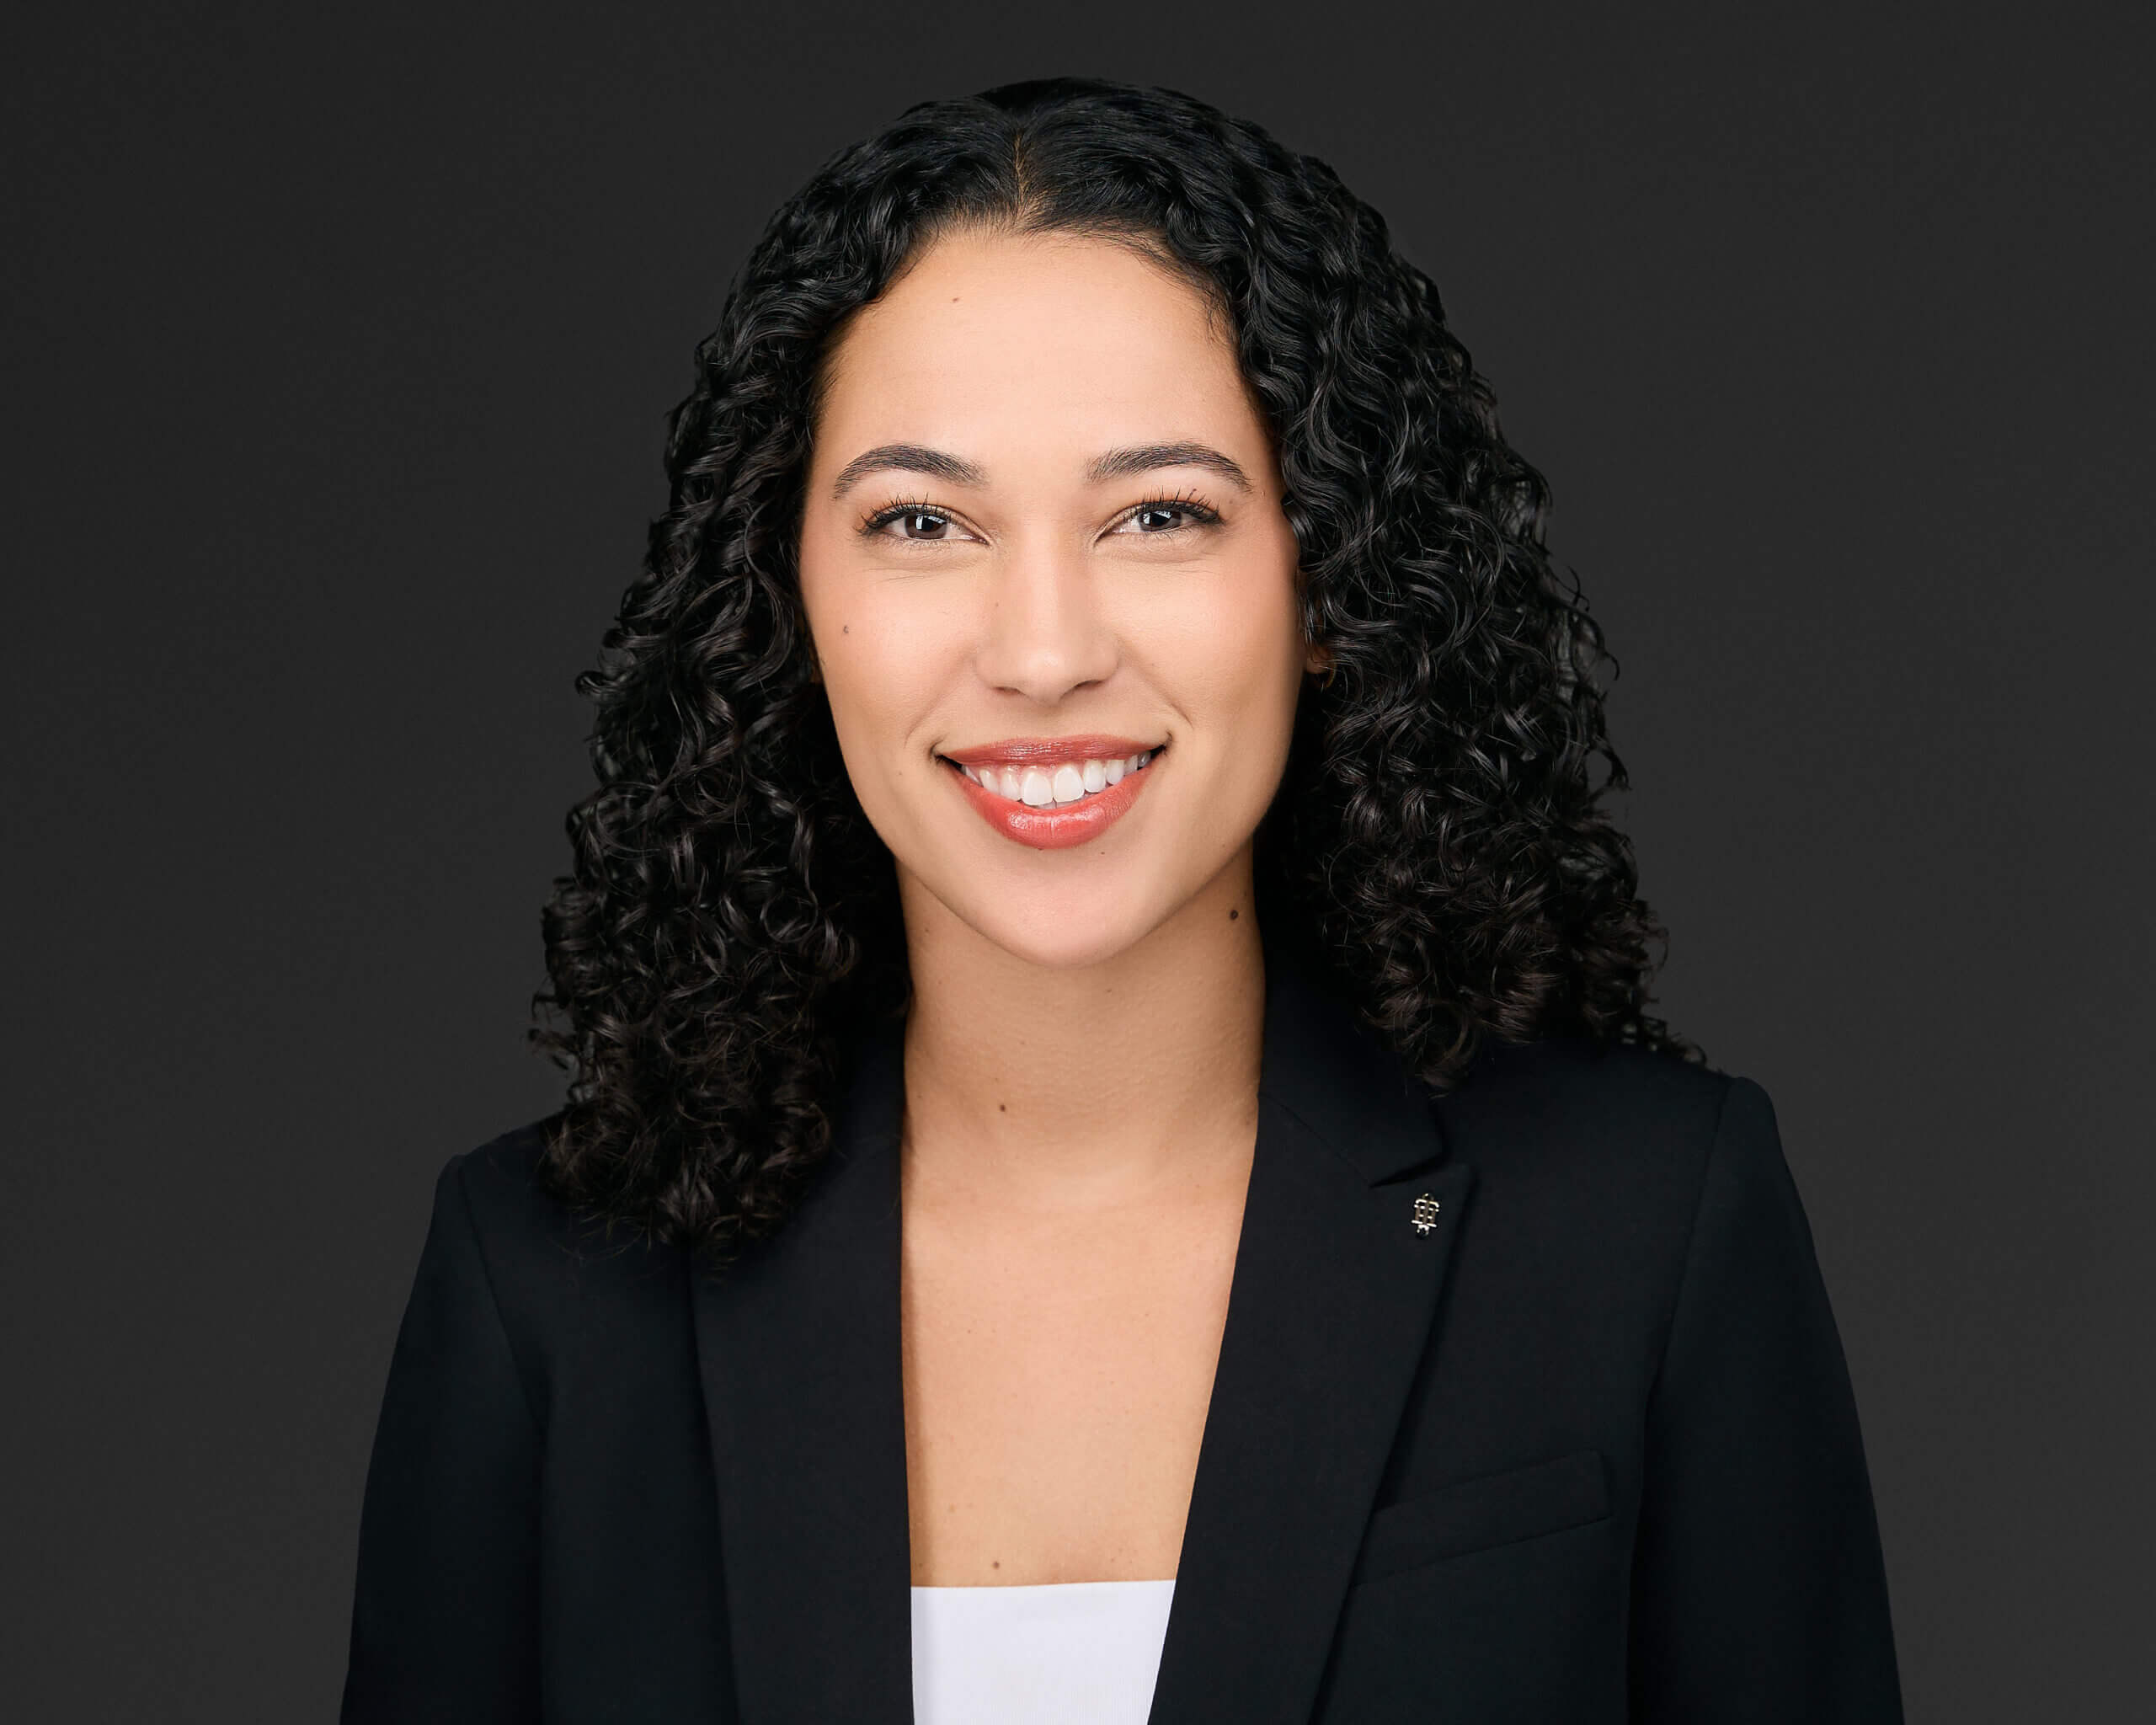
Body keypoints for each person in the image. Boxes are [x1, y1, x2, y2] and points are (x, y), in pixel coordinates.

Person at [339, 75, 1903, 1724]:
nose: (1042, 651)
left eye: (1160, 515)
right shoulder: (548, 1289)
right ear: (786, 593)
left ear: (1327, 580)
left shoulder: (1644, 1229)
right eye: (921, 520)